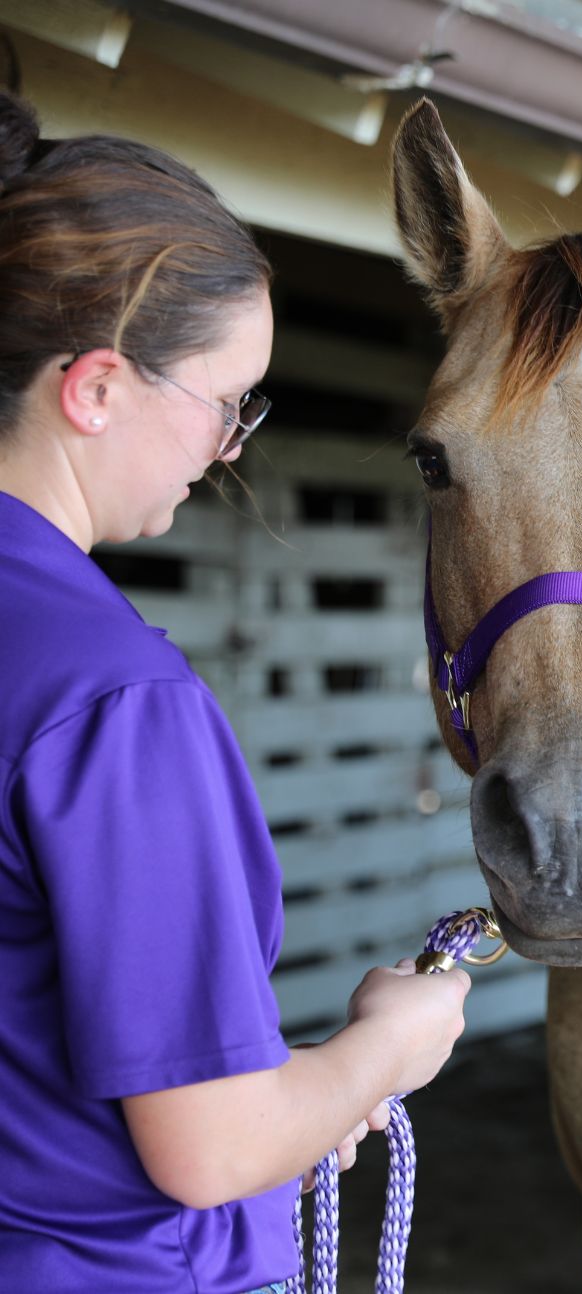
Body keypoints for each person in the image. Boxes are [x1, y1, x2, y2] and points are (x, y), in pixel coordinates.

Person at [0, 91, 470, 1293]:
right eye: (226, 403)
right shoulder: (114, 699)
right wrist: (380, 1052)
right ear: (95, 387)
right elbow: (210, 1151)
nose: (231, 448)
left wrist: (300, 1092)